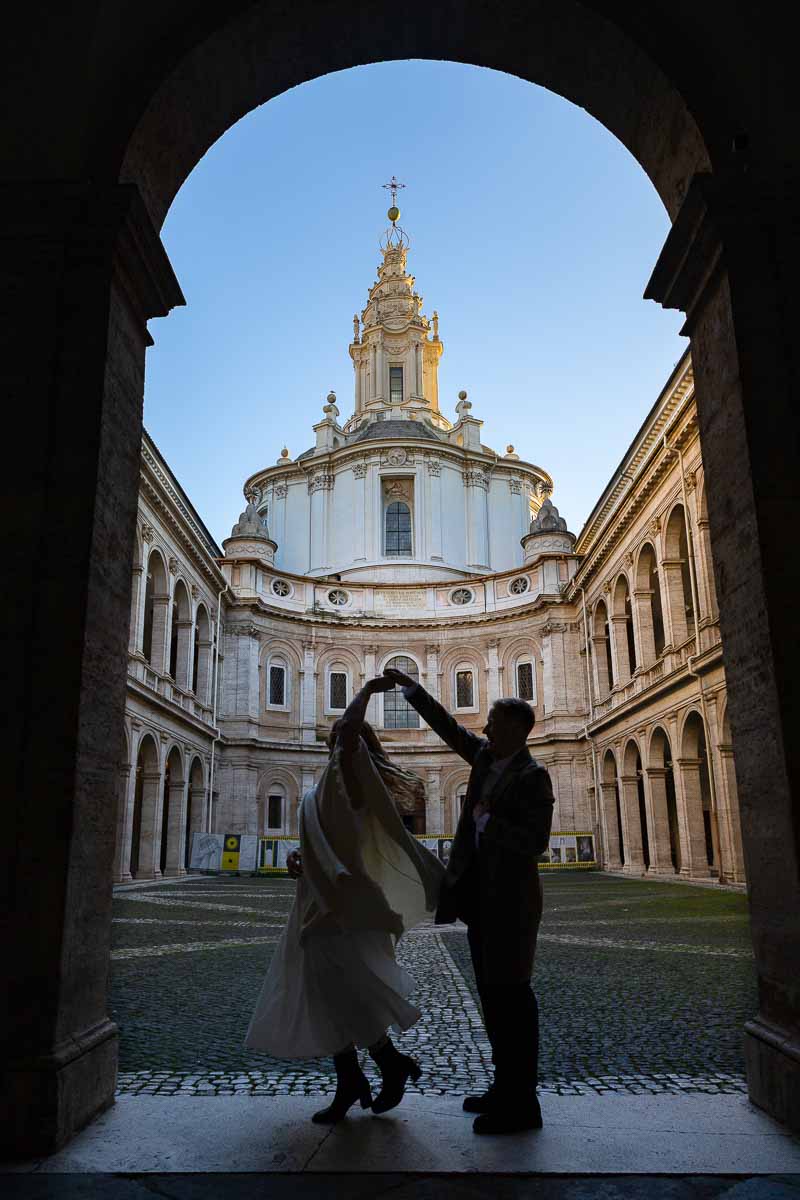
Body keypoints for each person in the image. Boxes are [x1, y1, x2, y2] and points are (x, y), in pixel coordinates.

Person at [244, 676, 444, 1124]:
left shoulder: (348, 783)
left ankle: (376, 1068)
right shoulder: (329, 788)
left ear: (356, 748)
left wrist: (369, 692)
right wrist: (301, 854)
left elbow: (351, 731)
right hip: (319, 899)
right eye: (335, 739)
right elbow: (325, 838)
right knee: (328, 992)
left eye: (344, 738)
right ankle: (364, 1073)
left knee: (341, 990)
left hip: (344, 904)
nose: (337, 742)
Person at [383, 666, 555, 1136]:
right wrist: (411, 691)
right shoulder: (484, 758)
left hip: (514, 905)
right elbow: (449, 728)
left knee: (514, 1001)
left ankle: (523, 1104)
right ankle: (504, 1088)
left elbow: (535, 841)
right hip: (482, 902)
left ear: (518, 729)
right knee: (493, 1000)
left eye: (494, 722)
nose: (485, 729)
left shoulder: (534, 777)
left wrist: (487, 823)